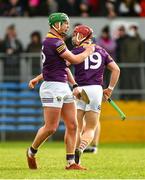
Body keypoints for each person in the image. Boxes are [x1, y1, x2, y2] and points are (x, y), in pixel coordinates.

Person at [26, 12, 94, 170]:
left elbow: (61, 67)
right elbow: (75, 60)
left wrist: (75, 85)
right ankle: (31, 152)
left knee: (73, 125)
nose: (67, 26)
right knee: (51, 128)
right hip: (52, 88)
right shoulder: (54, 42)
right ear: (56, 24)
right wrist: (88, 51)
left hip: (63, 86)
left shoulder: (56, 41)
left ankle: (71, 163)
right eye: (64, 23)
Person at [69, 25, 120, 164]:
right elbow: (116, 70)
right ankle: (82, 148)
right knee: (91, 127)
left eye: (76, 34)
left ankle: (75, 159)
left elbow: (64, 66)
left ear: (82, 36)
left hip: (80, 90)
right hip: (96, 91)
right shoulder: (101, 50)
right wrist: (109, 89)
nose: (74, 37)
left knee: (78, 127)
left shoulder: (76, 50)